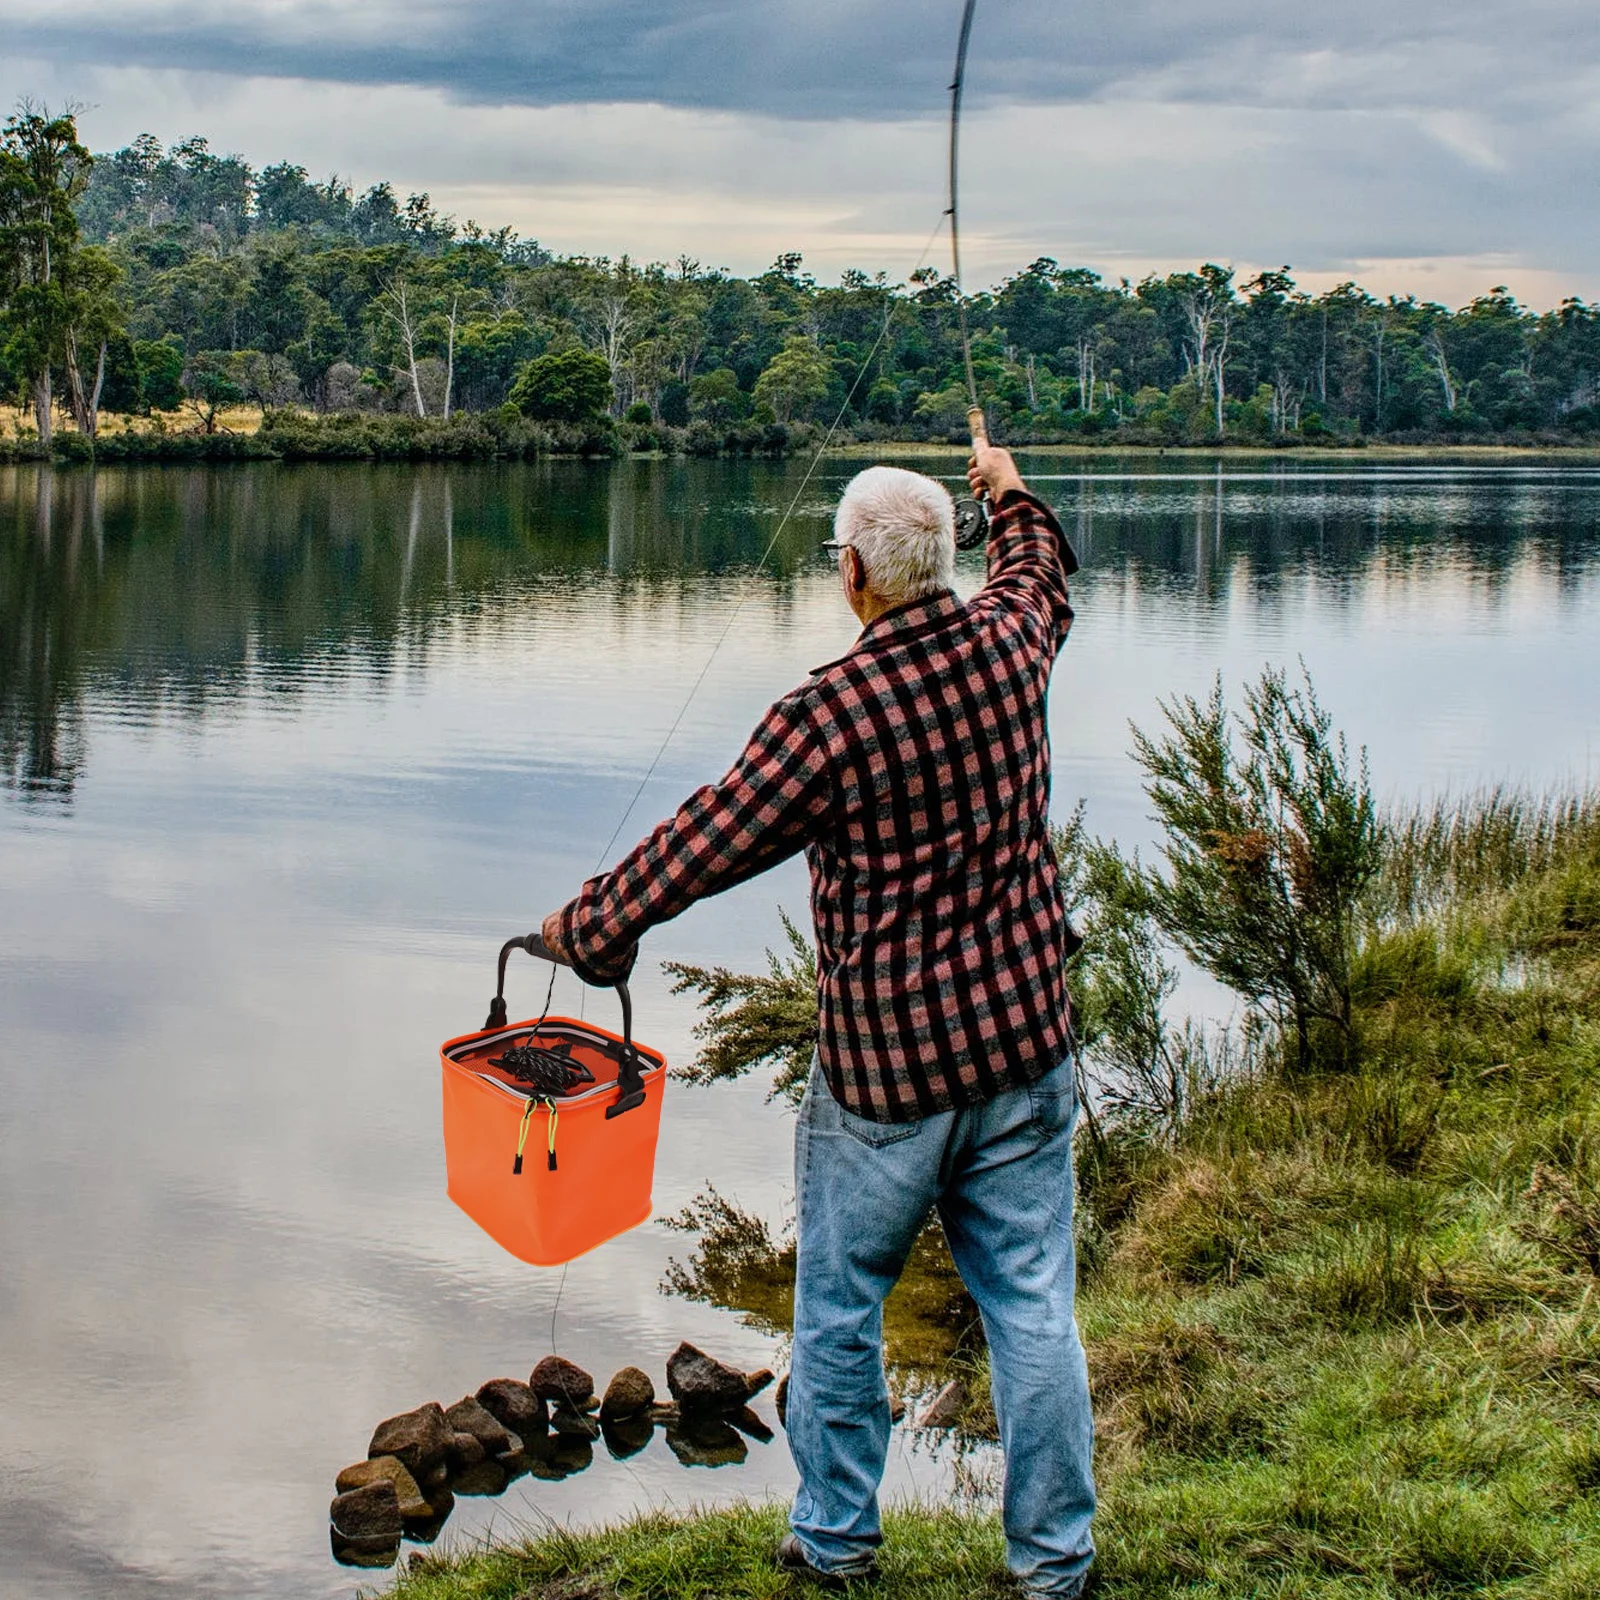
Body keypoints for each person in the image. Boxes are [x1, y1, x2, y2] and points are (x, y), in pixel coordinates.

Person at [541, 443, 1095, 1597]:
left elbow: (711, 836)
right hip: (1026, 1047)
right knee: (1035, 1308)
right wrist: (1009, 487)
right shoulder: (1010, 643)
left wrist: (596, 927)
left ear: (852, 573)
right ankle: (1053, 1565)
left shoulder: (833, 712)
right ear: (943, 562)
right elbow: (1041, 569)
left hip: (888, 1077)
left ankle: (836, 1541)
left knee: (842, 1309)